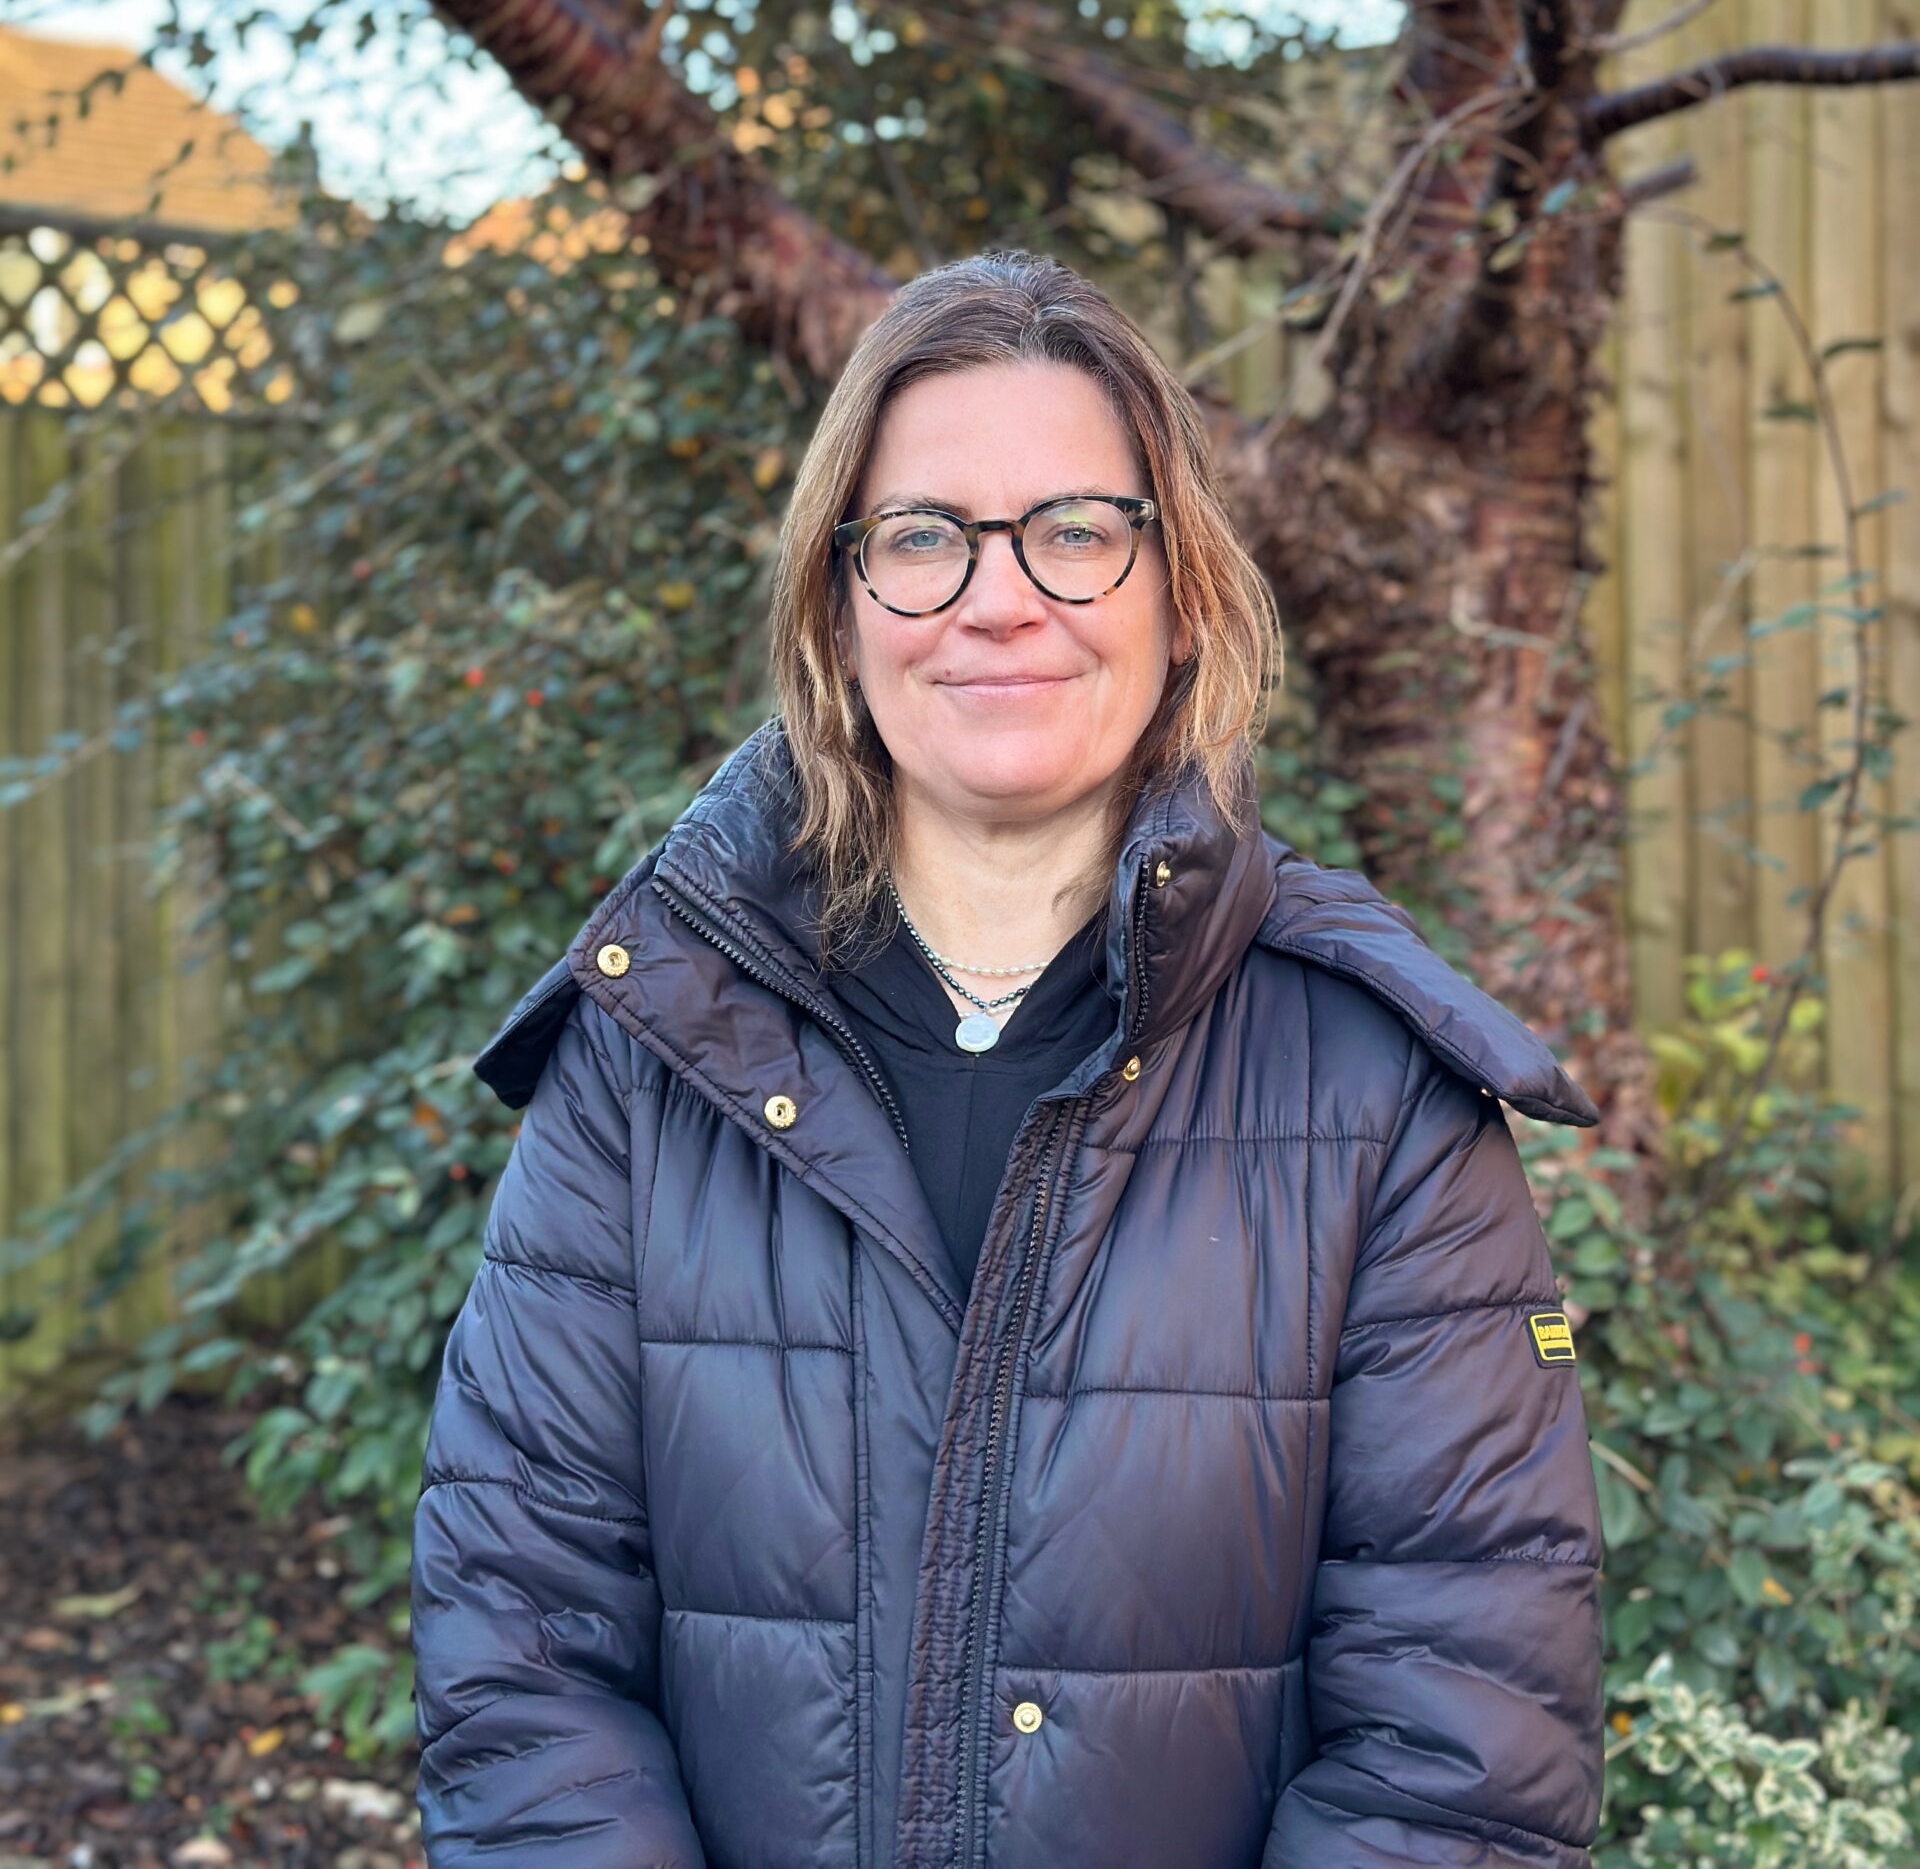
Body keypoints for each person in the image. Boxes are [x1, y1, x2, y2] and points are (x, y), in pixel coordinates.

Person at [410, 250, 1605, 1869]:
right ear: (841, 605)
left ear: (1178, 595)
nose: (997, 596)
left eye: (1075, 531)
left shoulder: (1372, 1089)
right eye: (923, 536)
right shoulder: (651, 1050)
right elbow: (521, 1654)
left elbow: (1463, 1740)